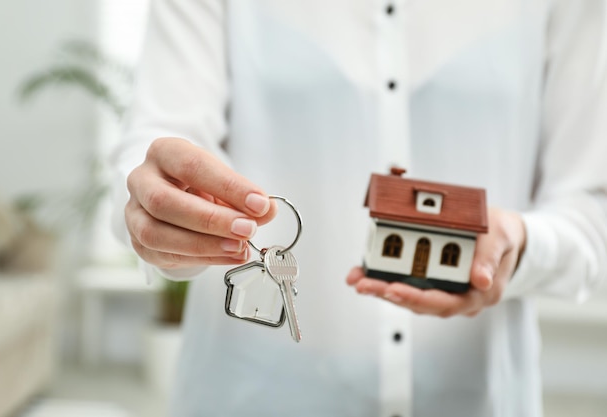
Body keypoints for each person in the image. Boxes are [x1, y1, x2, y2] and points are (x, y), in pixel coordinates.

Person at [109, 1, 607, 416]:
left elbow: (592, 210)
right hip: (245, 393)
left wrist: (520, 246)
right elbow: (155, 148)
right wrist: (156, 208)